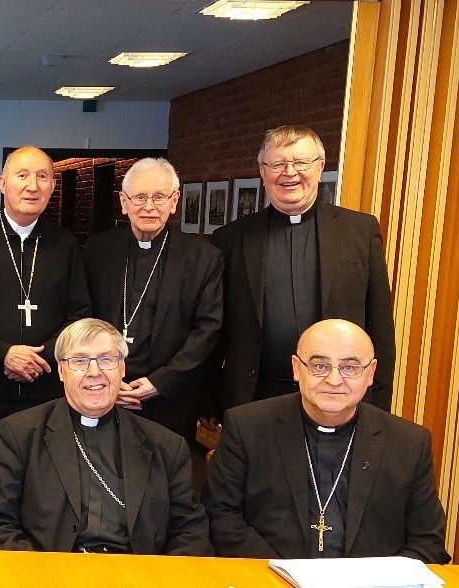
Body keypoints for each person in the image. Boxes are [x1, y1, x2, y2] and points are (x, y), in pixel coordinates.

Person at [202, 319, 449, 562]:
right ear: (297, 368)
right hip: (268, 577)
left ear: (370, 373)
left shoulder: (409, 443)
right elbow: (221, 516)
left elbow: (427, 541)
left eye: (349, 367)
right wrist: (277, 573)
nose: (334, 380)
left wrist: (378, 580)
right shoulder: (248, 427)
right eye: (320, 366)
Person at [0, 318, 211, 555]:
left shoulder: (166, 445)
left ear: (122, 368)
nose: (94, 372)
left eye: (107, 360)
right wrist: (45, 571)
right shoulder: (21, 434)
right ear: (61, 371)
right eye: (80, 361)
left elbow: (190, 533)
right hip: (54, 569)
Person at [0, 145, 90, 514]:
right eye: (22, 175)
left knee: (43, 487)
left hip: (47, 392)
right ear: (2, 183)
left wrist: (44, 355)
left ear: (52, 186)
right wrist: (4, 353)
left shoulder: (66, 244)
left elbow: (80, 315)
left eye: (42, 177)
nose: (32, 185)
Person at [211, 125, 394, 413]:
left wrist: (378, 406)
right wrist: (210, 400)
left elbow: (380, 325)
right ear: (262, 172)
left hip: (337, 393)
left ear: (320, 167)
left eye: (300, 162)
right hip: (255, 396)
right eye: (277, 164)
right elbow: (216, 329)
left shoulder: (360, 231)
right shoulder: (230, 239)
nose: (289, 172)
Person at [82, 157, 223, 440]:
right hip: (101, 389)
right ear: (124, 202)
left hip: (169, 398)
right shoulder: (97, 251)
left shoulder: (203, 258)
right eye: (140, 197)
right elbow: (81, 317)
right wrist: (107, 379)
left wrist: (160, 383)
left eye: (159, 197)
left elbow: (207, 330)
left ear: (174, 201)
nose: (149, 206)